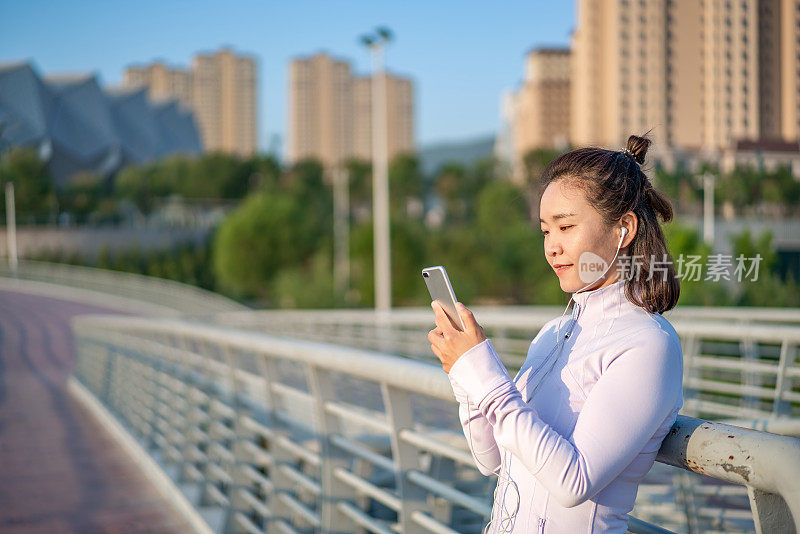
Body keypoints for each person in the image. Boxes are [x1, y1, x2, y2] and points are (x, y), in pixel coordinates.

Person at [428, 135, 684, 533]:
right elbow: (490, 457)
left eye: (565, 226)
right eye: (546, 231)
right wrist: (465, 374)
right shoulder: (553, 333)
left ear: (624, 229)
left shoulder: (649, 344)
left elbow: (572, 481)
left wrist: (483, 373)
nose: (552, 247)